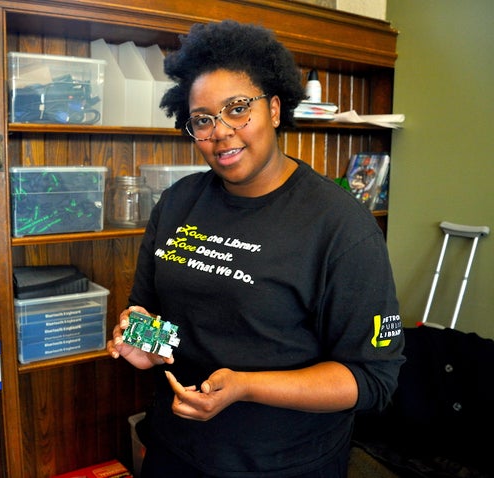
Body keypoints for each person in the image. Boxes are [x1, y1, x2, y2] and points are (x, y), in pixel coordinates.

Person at [106, 19, 405, 478]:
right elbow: (148, 309)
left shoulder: (342, 226)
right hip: (175, 450)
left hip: (285, 465)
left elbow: (372, 378)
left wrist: (245, 387)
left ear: (276, 108)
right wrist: (142, 337)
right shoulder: (178, 202)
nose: (220, 131)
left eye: (237, 108)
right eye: (203, 119)